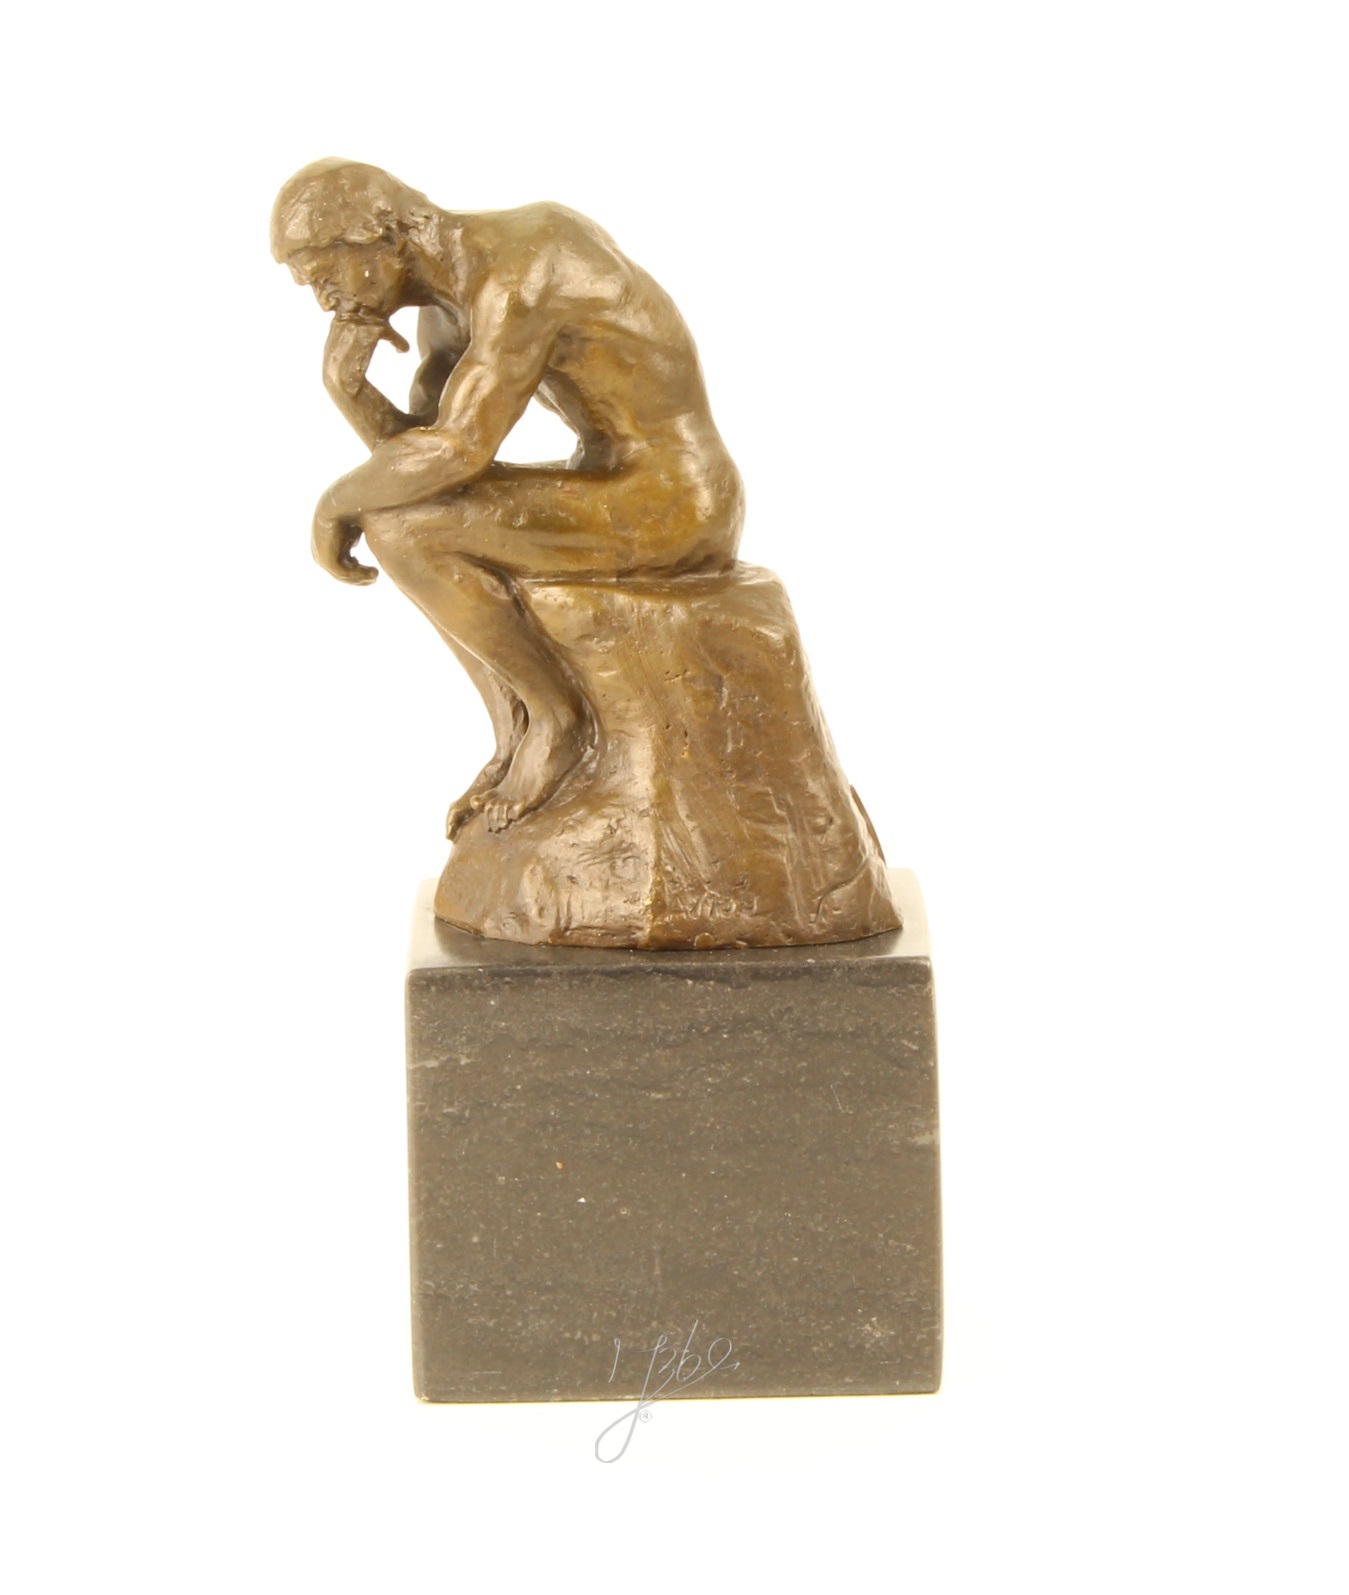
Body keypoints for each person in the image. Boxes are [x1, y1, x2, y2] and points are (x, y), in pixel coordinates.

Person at [271, 159, 745, 834]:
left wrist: (332, 505)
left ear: (378, 236)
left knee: (403, 529)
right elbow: (421, 463)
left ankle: (555, 719)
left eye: (324, 275)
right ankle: (515, 726)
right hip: (606, 481)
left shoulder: (526, 262)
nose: (324, 301)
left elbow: (460, 449)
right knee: (401, 519)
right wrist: (346, 388)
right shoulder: (445, 314)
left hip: (674, 496)